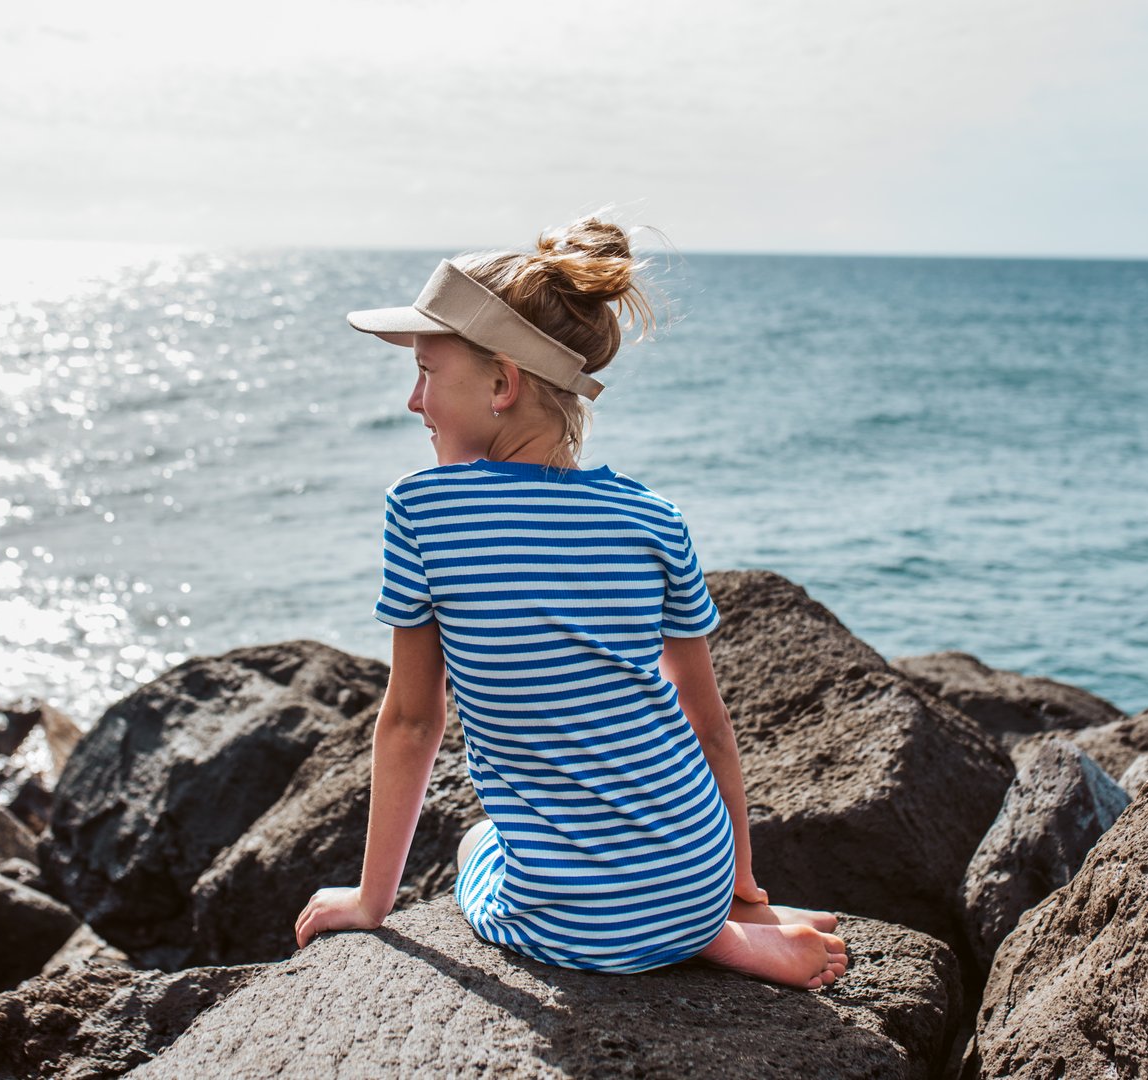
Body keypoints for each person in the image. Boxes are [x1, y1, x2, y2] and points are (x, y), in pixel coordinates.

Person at [293, 215, 847, 989]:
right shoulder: (654, 517)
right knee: (631, 844)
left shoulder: (422, 511)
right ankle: (722, 927)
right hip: (698, 864)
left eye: (426, 371)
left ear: (501, 384)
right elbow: (709, 724)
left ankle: (712, 936)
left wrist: (370, 901)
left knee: (472, 845)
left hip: (580, 925)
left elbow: (415, 720)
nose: (414, 401)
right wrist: (744, 890)